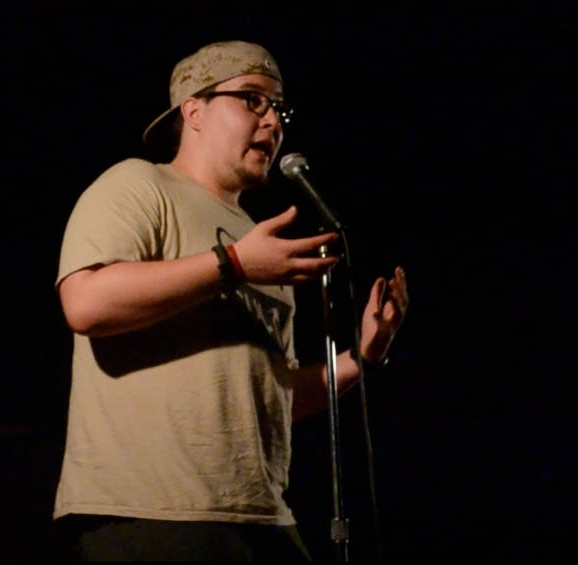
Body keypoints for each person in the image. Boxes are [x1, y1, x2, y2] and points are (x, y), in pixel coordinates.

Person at [50, 40, 409, 561]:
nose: (273, 121)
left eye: (279, 108)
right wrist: (234, 265)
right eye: (252, 100)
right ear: (193, 110)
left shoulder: (257, 240)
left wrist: (363, 358)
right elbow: (86, 304)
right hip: (150, 514)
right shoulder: (139, 185)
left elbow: (275, 397)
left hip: (260, 517)